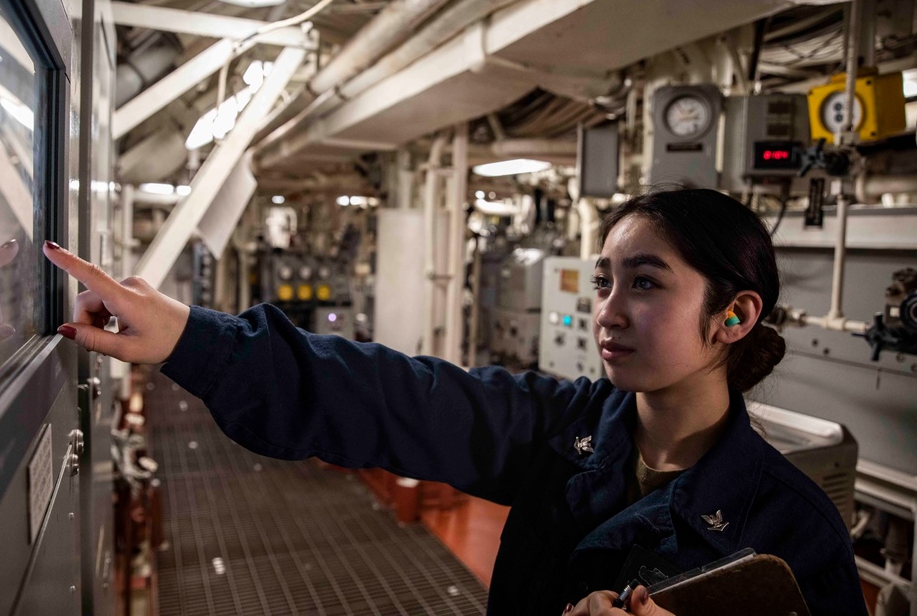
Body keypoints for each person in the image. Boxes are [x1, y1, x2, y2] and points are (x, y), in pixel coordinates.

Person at [43, 188, 866, 615]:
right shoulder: (563, 429)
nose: (606, 309)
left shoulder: (791, 531)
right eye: (606, 279)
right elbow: (384, 394)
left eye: (644, 283)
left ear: (735, 314)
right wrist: (189, 336)